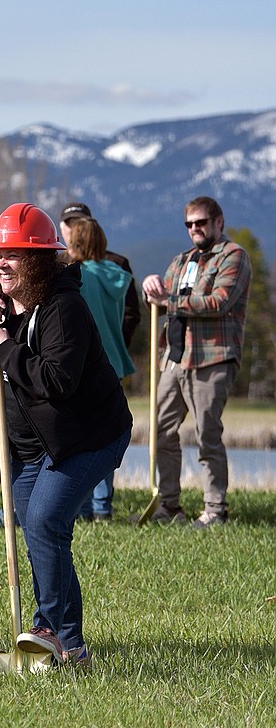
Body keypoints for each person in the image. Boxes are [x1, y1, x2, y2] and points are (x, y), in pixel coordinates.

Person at [0, 203, 132, 668]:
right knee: (43, 535)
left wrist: (4, 346)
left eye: (16, 254)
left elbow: (56, 382)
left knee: (46, 521)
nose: (3, 263)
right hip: (27, 449)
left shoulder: (64, 307)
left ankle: (46, 627)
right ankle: (73, 649)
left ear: (42, 259)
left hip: (88, 438)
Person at [140, 196, 251, 528]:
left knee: (207, 434)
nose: (194, 229)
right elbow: (161, 303)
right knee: (160, 430)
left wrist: (167, 299)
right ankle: (169, 506)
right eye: (188, 224)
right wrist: (150, 289)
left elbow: (219, 301)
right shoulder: (181, 260)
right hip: (174, 357)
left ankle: (215, 510)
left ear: (219, 222)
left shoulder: (234, 256)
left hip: (212, 357)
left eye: (200, 222)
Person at [66, 217, 135, 522]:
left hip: (86, 362)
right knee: (107, 434)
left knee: (80, 437)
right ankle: (103, 506)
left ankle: (81, 508)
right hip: (114, 362)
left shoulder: (78, 276)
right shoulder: (118, 275)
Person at [59, 202, 141, 348]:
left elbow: (131, 312)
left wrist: (118, 341)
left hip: (86, 353)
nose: (73, 230)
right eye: (70, 224)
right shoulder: (57, 264)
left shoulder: (117, 264)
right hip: (108, 355)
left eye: (79, 224)